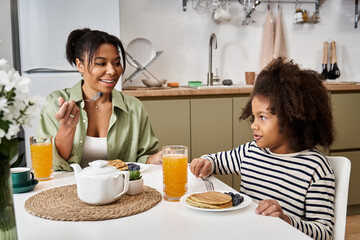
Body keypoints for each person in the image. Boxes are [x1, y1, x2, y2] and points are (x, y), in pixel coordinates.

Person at [190, 58, 335, 240]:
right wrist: (206, 162)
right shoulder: (251, 152)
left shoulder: (316, 169)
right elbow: (217, 161)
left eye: (263, 117)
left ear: (292, 118)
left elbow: (325, 232)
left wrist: (285, 219)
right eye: (253, 117)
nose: (253, 125)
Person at [37, 28, 161, 171]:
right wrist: (66, 128)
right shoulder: (55, 104)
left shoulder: (134, 108)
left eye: (116, 63)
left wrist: (154, 159)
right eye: (101, 63)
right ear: (80, 65)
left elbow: (142, 159)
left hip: (119, 190)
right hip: (67, 189)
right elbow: (49, 165)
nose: (112, 71)